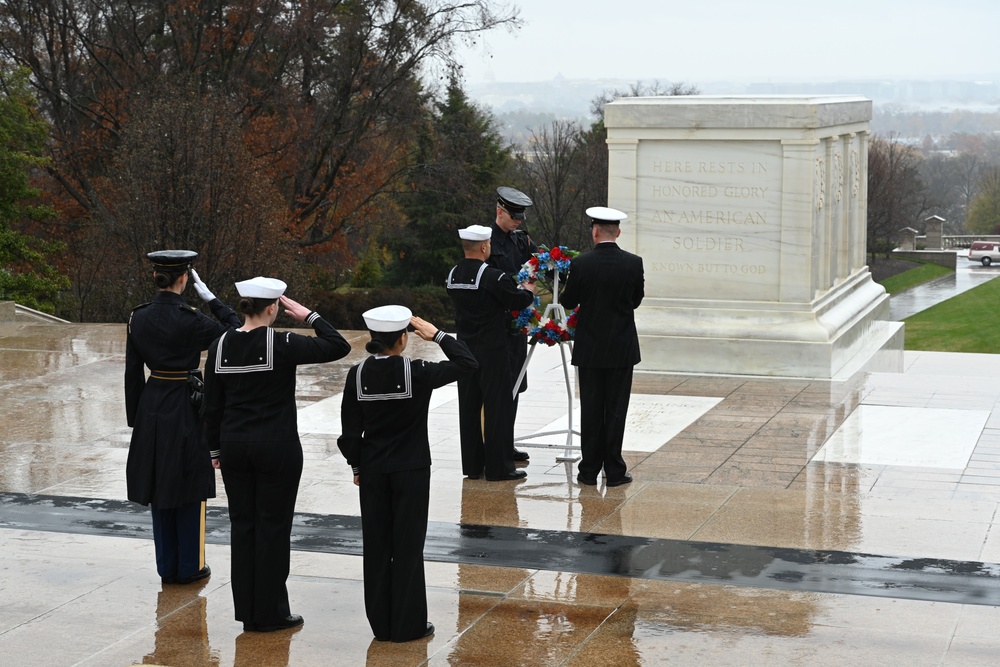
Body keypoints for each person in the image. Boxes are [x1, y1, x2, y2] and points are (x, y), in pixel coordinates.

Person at [202, 277, 350, 632]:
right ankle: (271, 613)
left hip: (234, 447)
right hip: (276, 447)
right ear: (272, 308)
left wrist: (214, 449)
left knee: (244, 527)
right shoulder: (281, 343)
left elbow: (212, 405)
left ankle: (248, 612)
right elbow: (337, 345)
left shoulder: (220, 344)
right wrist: (309, 315)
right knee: (272, 527)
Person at [338, 305, 478, 643]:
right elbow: (468, 364)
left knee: (376, 545)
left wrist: (357, 466)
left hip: (372, 471)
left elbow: (349, 432)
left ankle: (382, 625)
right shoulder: (418, 371)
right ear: (403, 338)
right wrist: (440, 336)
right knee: (407, 547)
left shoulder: (357, 375)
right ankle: (408, 624)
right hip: (411, 470)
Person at [125, 249, 240, 586]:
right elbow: (234, 330)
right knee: (189, 483)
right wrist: (213, 300)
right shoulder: (191, 319)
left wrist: (138, 418)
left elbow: (133, 371)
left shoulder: (138, 317)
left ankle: (167, 565)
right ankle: (190, 566)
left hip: (151, 402)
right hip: (186, 403)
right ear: (184, 279)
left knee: (159, 482)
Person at [560, 207, 644, 487]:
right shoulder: (634, 263)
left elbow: (569, 302)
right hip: (621, 348)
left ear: (595, 231)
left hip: (591, 348)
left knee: (592, 410)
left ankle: (588, 471)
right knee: (616, 410)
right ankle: (615, 471)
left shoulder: (581, 264)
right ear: (617, 232)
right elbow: (635, 301)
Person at [446, 225, 535, 481]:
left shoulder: (452, 275)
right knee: (498, 408)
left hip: (463, 350)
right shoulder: (494, 277)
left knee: (470, 407)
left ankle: (473, 466)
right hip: (493, 351)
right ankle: (500, 468)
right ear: (485, 247)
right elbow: (518, 301)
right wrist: (528, 290)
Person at [487, 186, 538, 463]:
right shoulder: (487, 241)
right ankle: (494, 443)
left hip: (517, 323)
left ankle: (507, 441)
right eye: (513, 215)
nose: (518, 221)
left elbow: (538, 260)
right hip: (497, 322)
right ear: (499, 211)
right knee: (498, 388)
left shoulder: (521, 241)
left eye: (520, 216)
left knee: (514, 386)